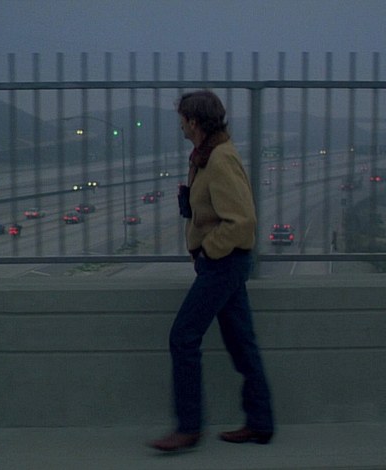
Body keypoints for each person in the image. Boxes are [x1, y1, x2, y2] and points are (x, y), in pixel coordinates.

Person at [149, 90, 274, 452]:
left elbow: (242, 221)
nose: (180, 125)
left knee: (183, 336)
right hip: (223, 263)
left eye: (183, 119)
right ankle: (261, 422)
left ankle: (189, 428)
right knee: (241, 342)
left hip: (224, 263)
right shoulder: (205, 156)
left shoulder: (220, 159)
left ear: (195, 122)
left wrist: (207, 251)